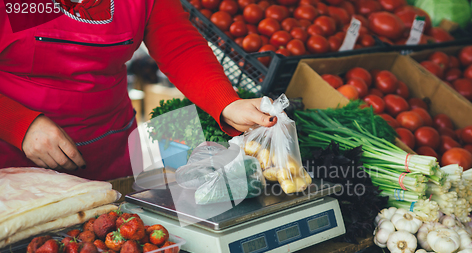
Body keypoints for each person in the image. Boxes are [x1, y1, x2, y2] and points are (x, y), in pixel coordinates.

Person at [0, 0, 277, 181]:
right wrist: (18, 124)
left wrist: (227, 104)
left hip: (108, 155)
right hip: (15, 162)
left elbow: (179, 46)